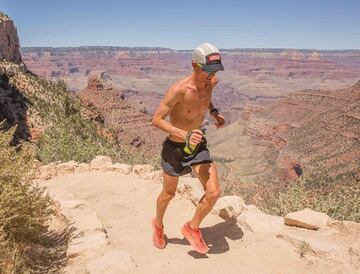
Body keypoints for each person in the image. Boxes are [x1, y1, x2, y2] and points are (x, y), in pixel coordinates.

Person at [151, 42, 225, 254]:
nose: (212, 75)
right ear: (195, 65)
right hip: (175, 147)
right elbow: (156, 120)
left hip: (198, 146)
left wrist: (214, 113)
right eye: (208, 70)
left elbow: (207, 100)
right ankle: (158, 224)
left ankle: (192, 228)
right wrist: (185, 135)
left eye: (215, 70)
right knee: (168, 193)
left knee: (214, 192)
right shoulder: (179, 90)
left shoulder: (212, 83)